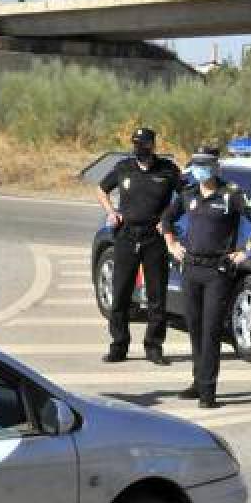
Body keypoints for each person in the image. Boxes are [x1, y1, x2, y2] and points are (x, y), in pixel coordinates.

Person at [161, 146, 251, 408]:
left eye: (206, 165)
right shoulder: (188, 193)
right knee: (195, 327)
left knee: (211, 330)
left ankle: (208, 391)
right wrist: (172, 244)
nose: (201, 170)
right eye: (197, 165)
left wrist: (246, 251)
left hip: (217, 272)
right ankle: (198, 381)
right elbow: (166, 218)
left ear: (216, 168)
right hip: (190, 268)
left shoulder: (230, 194)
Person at [96, 127, 183, 365]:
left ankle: (154, 347)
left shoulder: (167, 170)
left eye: (144, 145)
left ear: (153, 145)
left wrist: (167, 220)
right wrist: (111, 212)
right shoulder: (124, 167)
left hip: (154, 239)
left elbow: (185, 196)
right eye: (136, 144)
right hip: (126, 236)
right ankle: (119, 346)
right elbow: (101, 189)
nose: (139, 149)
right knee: (121, 292)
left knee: (157, 295)